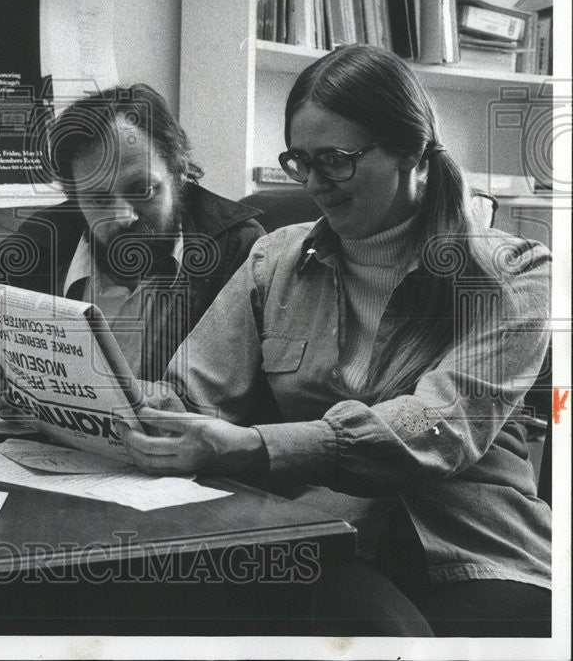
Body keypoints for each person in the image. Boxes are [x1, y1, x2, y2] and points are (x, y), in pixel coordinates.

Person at [104, 46, 552, 637]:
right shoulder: (275, 259)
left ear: (411, 150)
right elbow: (190, 396)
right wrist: (84, 392)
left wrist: (252, 446)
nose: (316, 184)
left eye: (337, 161)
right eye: (300, 162)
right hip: (322, 541)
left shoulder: (515, 271)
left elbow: (441, 428)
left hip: (474, 553)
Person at [0, 83, 264, 395]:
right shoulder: (46, 238)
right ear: (74, 197)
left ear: (179, 173)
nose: (123, 215)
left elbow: (253, 405)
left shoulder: (238, 251)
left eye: (142, 190)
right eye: (99, 198)